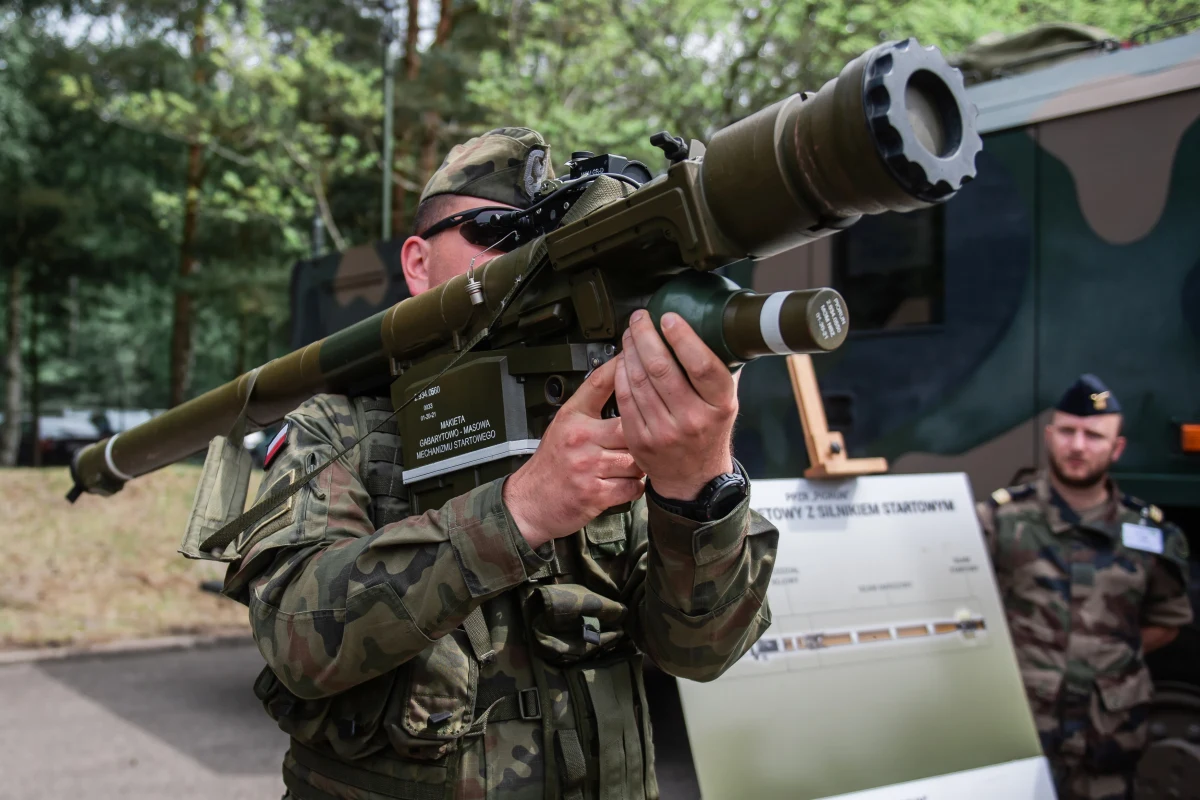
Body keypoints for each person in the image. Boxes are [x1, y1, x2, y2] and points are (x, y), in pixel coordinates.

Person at [217, 127, 779, 800]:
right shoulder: (343, 425)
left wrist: (697, 489)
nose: (527, 258)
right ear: (418, 263)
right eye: (493, 230)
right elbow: (296, 639)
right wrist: (518, 512)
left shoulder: (594, 414)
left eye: (542, 239)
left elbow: (701, 651)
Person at [977, 374, 1192, 800]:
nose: (1078, 446)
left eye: (1094, 436)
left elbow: (1167, 622)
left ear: (1117, 448)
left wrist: (1100, 659)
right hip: (1020, 744)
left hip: (1107, 748)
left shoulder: (1147, 532)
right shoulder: (999, 522)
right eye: (1069, 432)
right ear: (1050, 436)